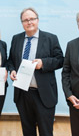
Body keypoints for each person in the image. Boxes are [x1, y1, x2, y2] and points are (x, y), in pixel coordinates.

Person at [8, 7, 64, 136]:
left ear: (37, 20)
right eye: (25, 20)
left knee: (45, 132)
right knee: (27, 131)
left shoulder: (50, 38)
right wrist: (12, 70)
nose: (29, 22)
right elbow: (10, 60)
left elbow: (60, 60)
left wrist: (43, 63)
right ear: (22, 23)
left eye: (32, 19)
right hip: (23, 94)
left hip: (43, 94)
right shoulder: (16, 39)